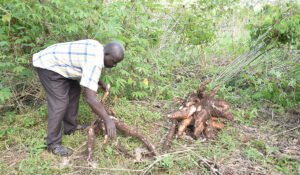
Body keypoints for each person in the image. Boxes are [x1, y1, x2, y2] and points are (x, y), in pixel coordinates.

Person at [32, 39, 125, 156]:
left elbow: (86, 68)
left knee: (74, 90)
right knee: (60, 103)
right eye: (114, 61)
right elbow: (90, 99)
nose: (114, 65)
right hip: (48, 66)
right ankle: (53, 144)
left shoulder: (98, 47)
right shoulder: (95, 60)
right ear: (106, 54)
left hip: (60, 65)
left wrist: (99, 82)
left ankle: (70, 128)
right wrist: (107, 120)